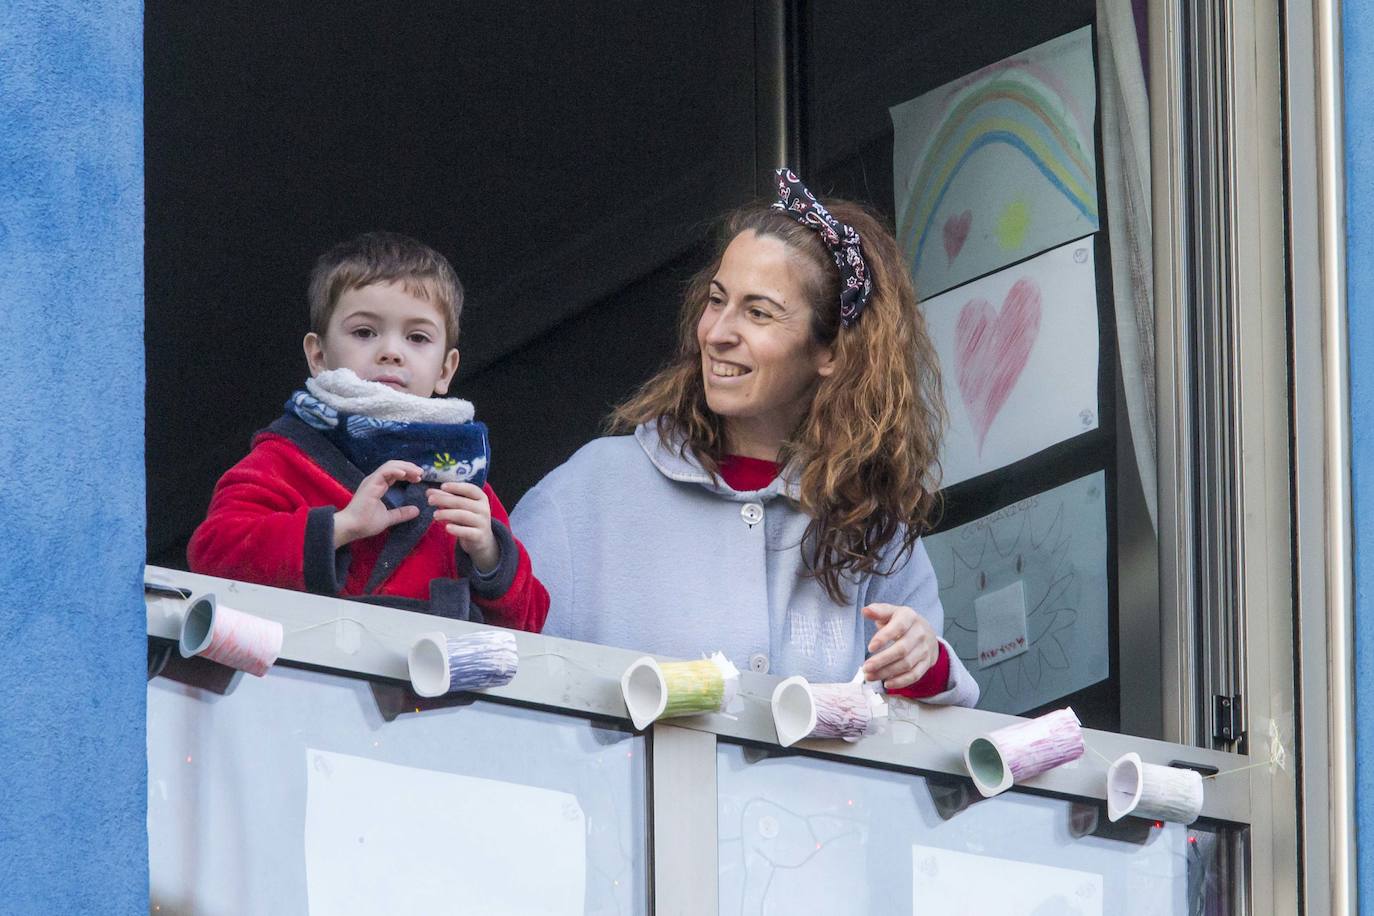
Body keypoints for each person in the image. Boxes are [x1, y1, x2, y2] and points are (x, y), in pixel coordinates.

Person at [513, 171, 976, 704]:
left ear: (830, 353)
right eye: (716, 300)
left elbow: (926, 756)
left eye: (757, 312)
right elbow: (496, 682)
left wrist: (928, 668)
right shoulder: (588, 491)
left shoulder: (872, 528)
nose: (716, 332)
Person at [188, 231, 548, 631]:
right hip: (304, 686)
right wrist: (341, 527)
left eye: (417, 337)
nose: (391, 351)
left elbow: (531, 625)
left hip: (426, 693)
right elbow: (211, 554)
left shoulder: (463, 481)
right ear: (318, 355)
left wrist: (489, 555)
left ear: (446, 369)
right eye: (364, 332)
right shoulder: (285, 457)